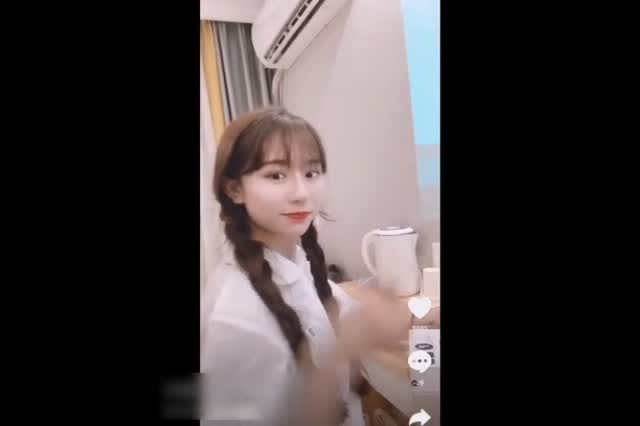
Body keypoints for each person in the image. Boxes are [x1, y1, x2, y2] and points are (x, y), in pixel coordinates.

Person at [200, 107, 408, 425]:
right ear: (234, 189)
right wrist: (346, 347)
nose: (301, 194)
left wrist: (421, 314)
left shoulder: (293, 261)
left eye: (311, 173)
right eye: (276, 175)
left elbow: (339, 308)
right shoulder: (234, 320)